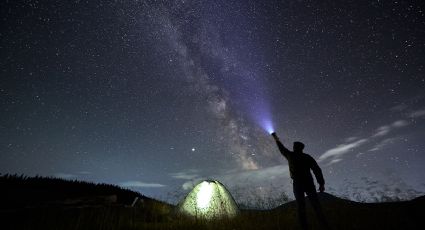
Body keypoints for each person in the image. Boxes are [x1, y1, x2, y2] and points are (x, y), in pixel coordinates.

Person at [271, 132, 330, 230]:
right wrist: (321, 183)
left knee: (301, 207)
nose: (293, 147)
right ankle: (325, 226)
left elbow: (282, 149)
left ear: (295, 147)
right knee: (316, 205)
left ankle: (304, 227)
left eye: (294, 146)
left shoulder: (291, 155)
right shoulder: (307, 157)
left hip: (298, 183)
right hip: (309, 182)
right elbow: (317, 170)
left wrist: (276, 138)